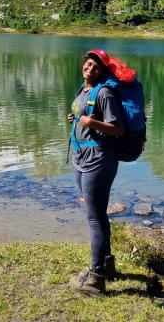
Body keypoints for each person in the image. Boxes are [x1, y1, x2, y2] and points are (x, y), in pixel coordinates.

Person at [68, 49, 124, 295]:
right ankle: (108, 264)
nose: (90, 70)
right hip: (81, 158)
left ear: (103, 71)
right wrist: (75, 118)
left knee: (94, 218)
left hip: (99, 160)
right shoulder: (84, 89)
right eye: (88, 65)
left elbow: (117, 129)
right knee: (98, 214)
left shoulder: (104, 93)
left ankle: (96, 277)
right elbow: (83, 116)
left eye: (96, 67)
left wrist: (92, 123)